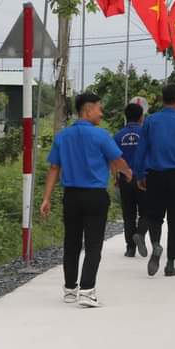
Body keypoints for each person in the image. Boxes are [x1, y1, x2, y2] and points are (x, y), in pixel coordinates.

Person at [40, 92, 132, 307]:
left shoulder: (62, 136)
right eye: (99, 108)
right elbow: (117, 159)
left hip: (71, 196)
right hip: (95, 197)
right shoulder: (101, 136)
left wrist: (46, 198)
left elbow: (54, 168)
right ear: (88, 110)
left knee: (71, 242)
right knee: (93, 244)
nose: (101, 113)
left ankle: (70, 289)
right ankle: (88, 290)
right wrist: (127, 172)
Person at [133, 84, 175, 278]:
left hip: (155, 175)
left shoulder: (151, 121)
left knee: (155, 216)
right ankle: (170, 264)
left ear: (162, 99)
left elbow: (141, 150)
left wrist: (140, 174)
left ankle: (155, 245)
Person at [114, 102, 147, 257]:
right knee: (146, 212)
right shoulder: (146, 133)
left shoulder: (118, 135)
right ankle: (140, 234)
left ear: (126, 117)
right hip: (143, 178)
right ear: (141, 117)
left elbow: (114, 158)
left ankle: (130, 248)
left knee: (128, 214)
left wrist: (116, 177)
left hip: (124, 178)